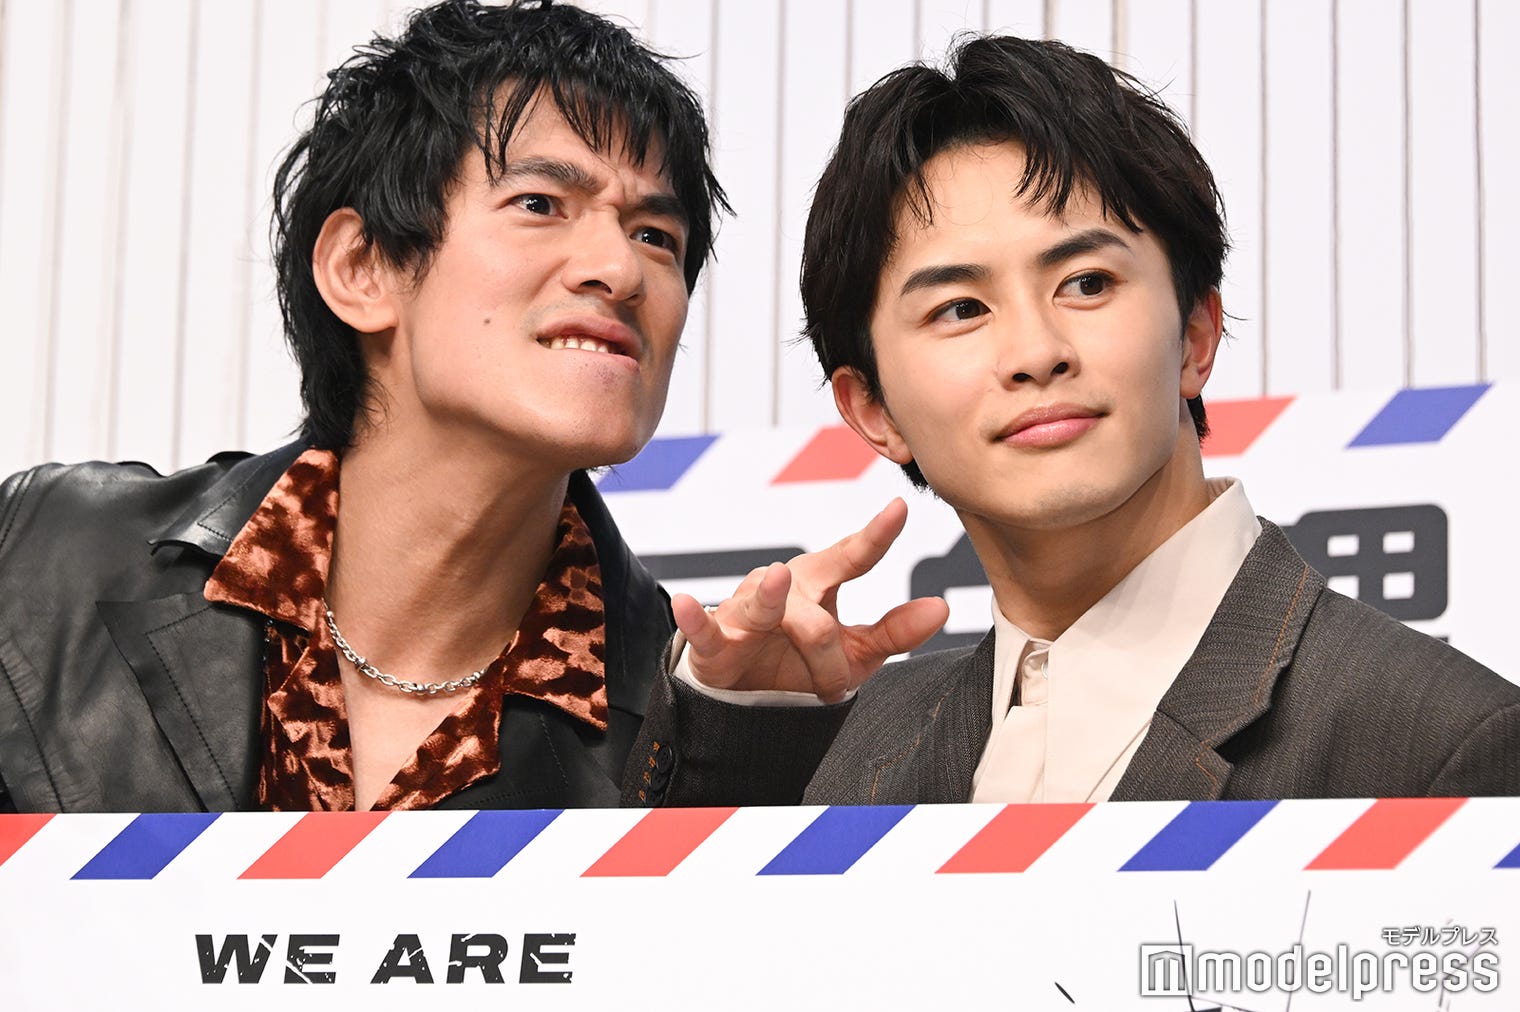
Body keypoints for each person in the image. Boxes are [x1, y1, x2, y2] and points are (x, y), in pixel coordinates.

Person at [626, 33, 1520, 806]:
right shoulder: (851, 744)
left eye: (1087, 283)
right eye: (961, 309)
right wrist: (746, 721)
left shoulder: (1441, 741)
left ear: (1195, 336)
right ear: (874, 410)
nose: (1035, 351)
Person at [0, 0, 731, 813]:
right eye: (540, 204)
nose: (619, 270)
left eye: (655, 235)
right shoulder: (39, 557)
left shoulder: (690, 721)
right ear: (362, 267)